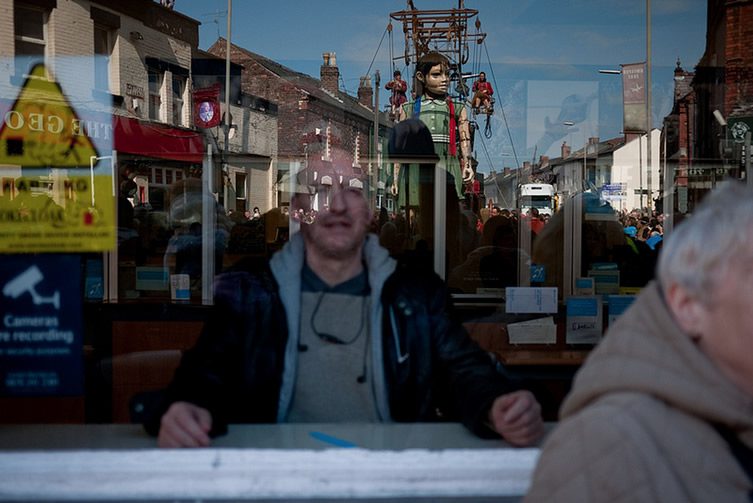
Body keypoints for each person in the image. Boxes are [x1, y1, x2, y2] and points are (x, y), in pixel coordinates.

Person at [148, 166, 544, 448]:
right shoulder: (250, 292)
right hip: (275, 483)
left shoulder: (416, 294)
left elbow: (464, 370)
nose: (336, 205)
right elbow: (202, 376)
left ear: (370, 212)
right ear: (298, 210)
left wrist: (498, 405)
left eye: (352, 190)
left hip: (388, 485)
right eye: (321, 190)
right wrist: (185, 409)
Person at [526, 181, 753, 501]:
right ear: (688, 305)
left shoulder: (631, 255)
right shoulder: (603, 450)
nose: (593, 238)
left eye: (597, 230)